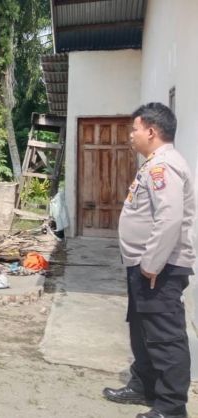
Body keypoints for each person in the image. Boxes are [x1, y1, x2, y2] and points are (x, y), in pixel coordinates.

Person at [103, 102, 194, 418]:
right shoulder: (155, 164)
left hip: (160, 268)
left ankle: (171, 407)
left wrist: (152, 264)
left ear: (152, 131)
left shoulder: (163, 167)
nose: (131, 135)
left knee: (164, 336)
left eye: (135, 129)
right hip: (147, 265)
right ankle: (143, 386)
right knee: (142, 330)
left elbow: (169, 219)